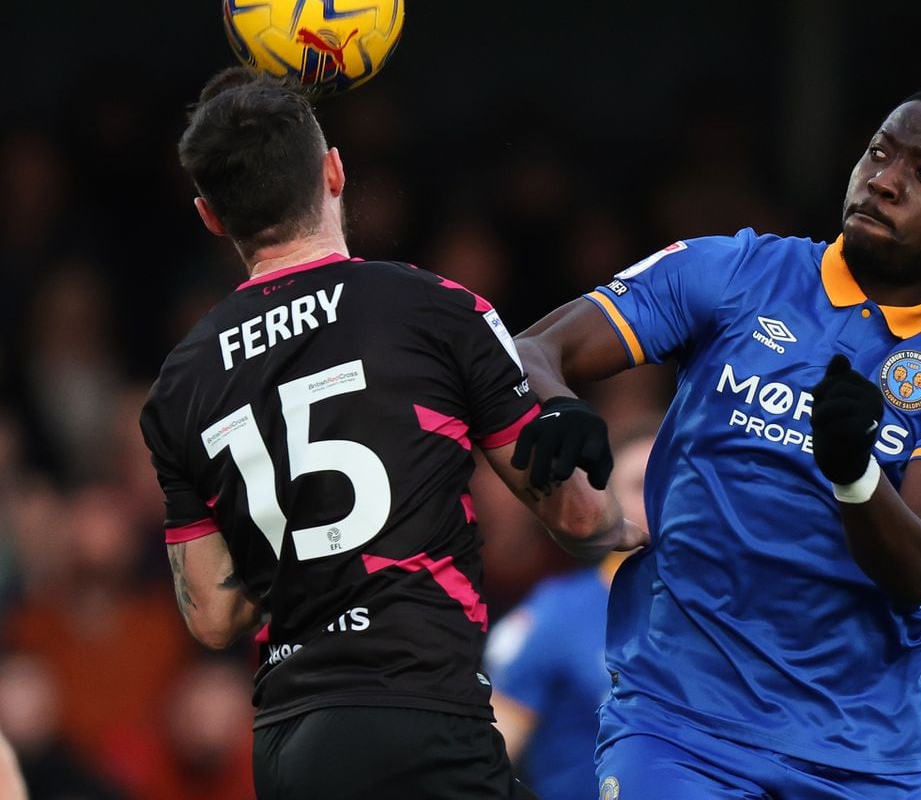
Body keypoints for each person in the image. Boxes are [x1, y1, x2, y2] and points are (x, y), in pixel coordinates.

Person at [138, 66, 647, 800]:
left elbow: (216, 619)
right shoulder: (435, 311)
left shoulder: (179, 383)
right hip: (419, 714)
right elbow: (575, 518)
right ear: (335, 172)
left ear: (211, 216)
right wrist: (629, 523)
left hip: (286, 742)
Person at [510, 87, 921, 798]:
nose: (884, 180)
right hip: (679, 728)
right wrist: (560, 407)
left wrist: (855, 475)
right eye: (880, 152)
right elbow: (534, 350)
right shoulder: (732, 271)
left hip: (864, 755)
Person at [485, 417, 658, 800]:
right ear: (606, 501)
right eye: (641, 485)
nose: (659, 499)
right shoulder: (557, 613)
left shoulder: (729, 612)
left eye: (674, 482)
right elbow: (490, 755)